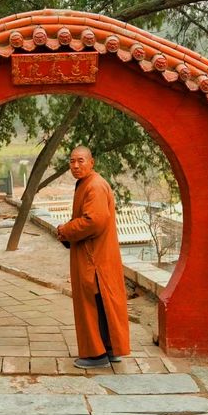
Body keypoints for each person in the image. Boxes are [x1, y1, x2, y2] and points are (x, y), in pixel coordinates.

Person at [57, 146, 130, 368]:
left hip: (94, 257)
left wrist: (65, 230)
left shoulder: (95, 186)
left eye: (80, 161)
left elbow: (94, 221)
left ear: (92, 162)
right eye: (71, 162)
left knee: (93, 303)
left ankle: (96, 354)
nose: (76, 166)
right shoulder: (88, 184)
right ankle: (110, 348)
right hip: (97, 255)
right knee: (102, 303)